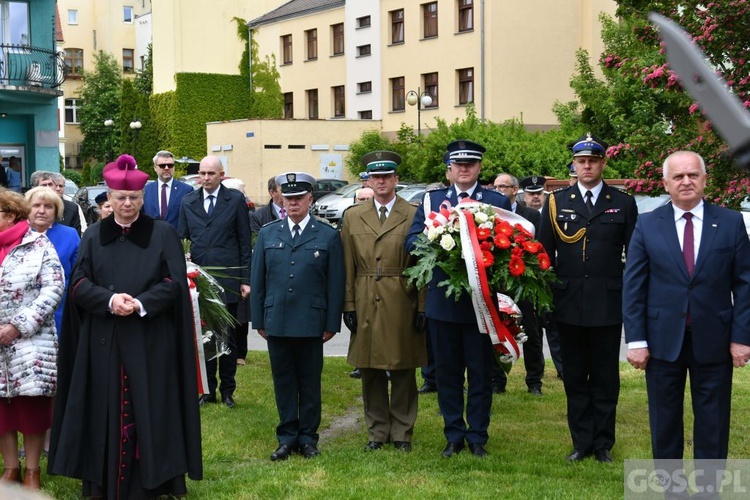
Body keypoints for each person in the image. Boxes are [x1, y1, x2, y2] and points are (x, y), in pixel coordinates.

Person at [48, 154, 203, 498]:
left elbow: (174, 282)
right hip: (103, 341)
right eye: (120, 198)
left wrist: (141, 302)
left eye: (134, 198)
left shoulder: (163, 234)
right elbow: (78, 284)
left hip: (151, 341)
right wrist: (109, 300)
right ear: (109, 198)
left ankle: (153, 480)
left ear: (142, 198)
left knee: (150, 408)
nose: (128, 204)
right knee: (104, 410)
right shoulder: (93, 237)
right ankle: (102, 480)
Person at [623, 151, 750, 461]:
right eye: (678, 176)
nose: (686, 181)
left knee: (713, 423)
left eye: (693, 175)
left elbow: (745, 284)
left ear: (705, 180)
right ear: (666, 184)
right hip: (662, 341)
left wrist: (742, 337)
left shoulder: (731, 222)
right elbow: (634, 287)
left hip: (715, 340)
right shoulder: (648, 224)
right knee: (664, 424)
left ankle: (709, 493)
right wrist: (637, 341)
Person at [406, 140, 511, 458]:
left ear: (479, 167)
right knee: (448, 374)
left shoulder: (494, 200)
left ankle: (478, 436)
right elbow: (411, 241)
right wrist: (437, 237)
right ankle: (453, 434)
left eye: (471, 164)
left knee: (480, 375)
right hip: (442, 303)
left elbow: (514, 241)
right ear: (449, 169)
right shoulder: (431, 201)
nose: (464, 169)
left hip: (481, 305)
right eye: (458, 164)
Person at [538, 133, 638, 463]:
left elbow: (634, 256)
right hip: (568, 303)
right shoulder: (556, 202)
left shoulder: (623, 202)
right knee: (576, 377)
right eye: (581, 161)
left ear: (602, 163)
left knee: (606, 378)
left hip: (607, 304)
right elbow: (543, 255)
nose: (586, 166)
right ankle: (581, 442)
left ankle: (603, 444)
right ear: (574, 165)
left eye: (592, 160)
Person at [251, 172, 345, 461]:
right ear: (281, 199)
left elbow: (335, 283)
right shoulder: (268, 233)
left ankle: (308, 438)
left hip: (310, 321)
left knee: (309, 382)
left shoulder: (327, 235)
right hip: (277, 320)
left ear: (309, 200)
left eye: (298, 198)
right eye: (287, 198)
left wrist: (331, 323)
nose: (292, 203)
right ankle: (287, 436)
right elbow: (258, 281)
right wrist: (259, 320)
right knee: (283, 381)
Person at [341, 151, 427, 453]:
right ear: (368, 180)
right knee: (370, 369)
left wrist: (422, 306)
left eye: (386, 176)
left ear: (396, 180)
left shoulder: (415, 212)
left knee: (403, 367)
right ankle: (377, 432)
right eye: (375, 177)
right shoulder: (352, 216)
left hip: (401, 296)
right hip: (365, 297)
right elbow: (347, 265)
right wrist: (348, 305)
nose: (381, 182)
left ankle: (402, 431)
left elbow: (423, 263)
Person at [0, 190, 64, 490]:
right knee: (2, 411)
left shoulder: (38, 244)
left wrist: (18, 325)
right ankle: (11, 468)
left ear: (10, 215)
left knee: (31, 408)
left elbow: (52, 289)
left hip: (30, 342)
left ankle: (33, 470)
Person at [178, 155, 252, 409]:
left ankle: (228, 390)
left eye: (211, 173)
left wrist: (246, 279)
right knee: (205, 336)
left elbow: (245, 242)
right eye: (202, 173)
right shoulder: (188, 201)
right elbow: (182, 237)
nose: (206, 178)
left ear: (222, 175)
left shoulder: (235, 201)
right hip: (200, 278)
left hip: (228, 278)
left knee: (228, 336)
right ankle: (207, 390)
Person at [491, 174, 544, 396]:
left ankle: (534, 382)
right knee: (496, 332)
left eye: (502, 186)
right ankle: (497, 380)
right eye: (495, 187)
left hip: (523, 281)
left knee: (531, 332)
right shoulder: (489, 214)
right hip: (497, 282)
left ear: (514, 190)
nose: (498, 190)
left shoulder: (530, 216)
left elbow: (540, 245)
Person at [24, 187, 80, 335]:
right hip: (23, 311)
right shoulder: (19, 234)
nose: (42, 211)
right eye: (36, 205)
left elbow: (78, 273)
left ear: (56, 211)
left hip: (61, 310)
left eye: (48, 206)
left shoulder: (70, 235)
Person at [143, 150, 193, 229]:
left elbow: (190, 219)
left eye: (170, 165)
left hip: (176, 238)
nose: (166, 168)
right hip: (151, 238)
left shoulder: (186, 190)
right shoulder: (146, 191)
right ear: (155, 167)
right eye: (162, 165)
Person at [29, 172, 84, 236]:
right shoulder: (25, 207)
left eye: (50, 184)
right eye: (44, 185)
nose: (48, 188)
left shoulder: (71, 208)